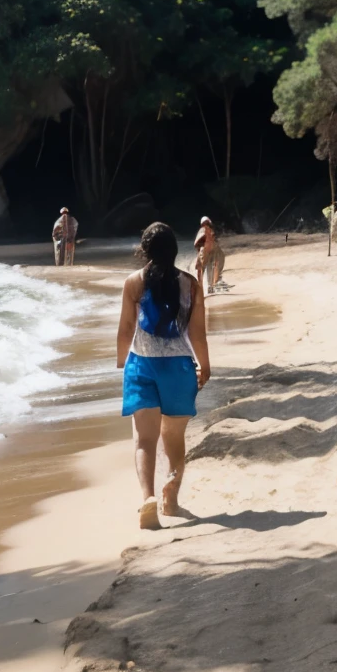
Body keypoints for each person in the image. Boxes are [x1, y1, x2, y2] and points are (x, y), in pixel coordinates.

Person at [116, 222, 211, 529]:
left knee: (144, 440)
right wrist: (205, 365)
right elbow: (197, 332)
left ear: (144, 251)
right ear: (174, 251)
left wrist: (121, 360)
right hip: (179, 369)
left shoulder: (134, 282)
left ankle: (148, 499)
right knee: (173, 437)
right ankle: (172, 495)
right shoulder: (191, 285)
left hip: (143, 366)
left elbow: (127, 328)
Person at [194, 215, 224, 295]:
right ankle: (207, 288)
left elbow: (196, 243)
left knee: (204, 270)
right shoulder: (207, 230)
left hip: (206, 251)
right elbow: (198, 242)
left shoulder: (204, 230)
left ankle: (203, 289)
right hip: (208, 251)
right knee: (207, 269)